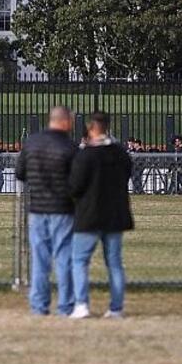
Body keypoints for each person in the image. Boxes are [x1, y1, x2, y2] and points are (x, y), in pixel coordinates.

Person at [69, 112, 134, 319]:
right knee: (114, 262)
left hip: (89, 213)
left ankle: (81, 305)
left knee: (79, 260)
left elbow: (75, 186)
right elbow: (127, 175)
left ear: (91, 127)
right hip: (114, 213)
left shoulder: (86, 155)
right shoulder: (120, 153)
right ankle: (116, 308)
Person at [15, 106, 76, 317]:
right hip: (63, 208)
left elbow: (20, 172)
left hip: (38, 207)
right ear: (66, 121)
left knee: (39, 260)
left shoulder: (32, 142)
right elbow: (77, 180)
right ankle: (66, 306)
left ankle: (39, 306)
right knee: (64, 257)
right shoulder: (69, 146)